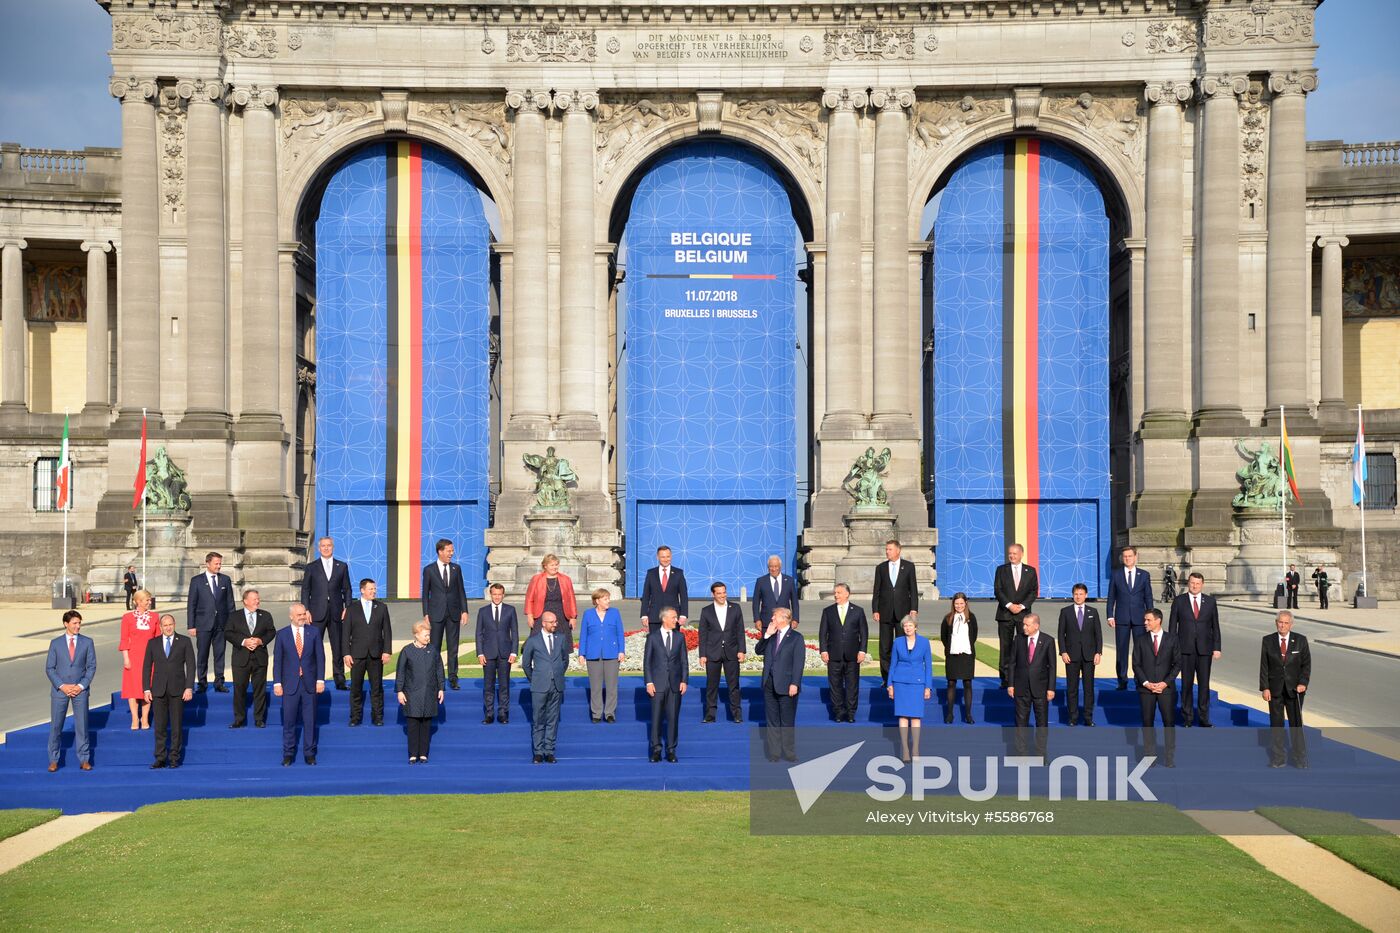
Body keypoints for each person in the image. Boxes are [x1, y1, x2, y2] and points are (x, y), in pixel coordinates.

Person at [1167, 572, 1221, 727]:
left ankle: (1204, 718)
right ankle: (1187, 718)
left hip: (1205, 650)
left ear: (1202, 584)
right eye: (1192, 583)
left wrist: (1217, 647)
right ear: (1188, 583)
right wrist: (1172, 649)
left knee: (1204, 685)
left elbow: (1215, 626)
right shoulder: (1179, 601)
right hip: (1185, 649)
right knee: (1186, 684)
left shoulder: (1210, 602)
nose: (1195, 586)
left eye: (1197, 583)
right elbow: (1172, 628)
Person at [273, 604, 325, 766]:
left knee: (310, 721)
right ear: (291, 616)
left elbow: (320, 658)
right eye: (299, 615)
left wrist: (320, 680)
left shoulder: (314, 632)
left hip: (309, 684)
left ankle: (309, 754)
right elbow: (278, 661)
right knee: (289, 721)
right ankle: (288, 754)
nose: (302, 617)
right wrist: (277, 683)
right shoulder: (282, 635)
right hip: (290, 685)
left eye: (303, 614)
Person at [142, 614, 195, 769]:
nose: (168, 627)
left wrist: (189, 687)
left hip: (178, 689)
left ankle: (174, 758)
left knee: (176, 726)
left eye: (170, 624)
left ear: (174, 624)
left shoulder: (184, 641)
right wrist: (146, 688)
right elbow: (146, 667)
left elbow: (191, 666)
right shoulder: (153, 643)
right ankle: (160, 758)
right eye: (165, 625)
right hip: (158, 690)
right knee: (160, 727)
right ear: (160, 627)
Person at [45, 610, 95, 772]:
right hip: (60, 691)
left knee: (82, 726)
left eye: (79, 623)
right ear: (66, 624)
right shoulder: (56, 643)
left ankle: (84, 759)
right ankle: (53, 759)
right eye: (74, 623)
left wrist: (81, 686)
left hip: (80, 690)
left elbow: (91, 667)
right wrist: (62, 686)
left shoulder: (87, 642)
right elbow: (50, 668)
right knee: (56, 726)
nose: (78, 626)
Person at [1260, 611, 1311, 768]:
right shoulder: (1268, 641)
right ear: (1276, 623)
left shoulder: (1300, 641)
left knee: (1296, 725)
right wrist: (1265, 688)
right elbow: (1264, 666)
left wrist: (1303, 683)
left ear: (1291, 624)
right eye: (1280, 622)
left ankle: (1299, 758)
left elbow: (1306, 665)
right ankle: (1278, 758)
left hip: (1294, 690)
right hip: (1274, 690)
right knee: (1277, 724)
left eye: (1286, 623)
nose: (1282, 625)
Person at [301, 536, 353, 690]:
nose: (326, 548)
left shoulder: (342, 566)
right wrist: (306, 610)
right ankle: (314, 678)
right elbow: (306, 590)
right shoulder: (311, 567)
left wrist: (347, 607)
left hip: (336, 612)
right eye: (323, 546)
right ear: (319, 548)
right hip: (316, 612)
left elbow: (347, 589)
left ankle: (339, 679)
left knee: (338, 647)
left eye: (328, 545)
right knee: (314, 646)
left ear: (333, 547)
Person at [756, 607, 805, 762]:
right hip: (769, 683)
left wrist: (795, 683)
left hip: (787, 684)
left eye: (774, 617)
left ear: (784, 618)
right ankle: (774, 753)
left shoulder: (796, 638)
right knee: (772, 721)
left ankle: (789, 752)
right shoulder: (771, 636)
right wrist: (767, 635)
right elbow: (758, 650)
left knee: (787, 721)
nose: (772, 619)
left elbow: (798, 663)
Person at [343, 578, 393, 727]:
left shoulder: (382, 607)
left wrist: (387, 651)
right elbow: (345, 633)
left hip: (376, 654)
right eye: (370, 589)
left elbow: (387, 631)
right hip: (357, 654)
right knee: (356, 688)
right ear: (362, 590)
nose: (374, 591)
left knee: (376, 688)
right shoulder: (352, 608)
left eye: (375, 589)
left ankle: (377, 717)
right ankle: (355, 717)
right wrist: (346, 653)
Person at [1132, 608, 1179, 766]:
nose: (1145, 623)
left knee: (1169, 723)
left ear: (1158, 621)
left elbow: (1177, 664)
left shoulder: (1172, 639)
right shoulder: (1140, 640)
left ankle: (1169, 757)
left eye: (1148, 620)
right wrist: (1147, 683)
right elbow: (1136, 664)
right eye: (1145, 620)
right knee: (1147, 722)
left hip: (1166, 689)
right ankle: (1149, 757)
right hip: (1146, 689)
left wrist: (1165, 683)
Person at [421, 538, 469, 690]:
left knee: (453, 647)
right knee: (434, 646)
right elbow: (425, 594)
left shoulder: (456, 568)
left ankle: (453, 678)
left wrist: (465, 610)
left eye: (452, 550)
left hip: (454, 613)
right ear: (440, 551)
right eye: (449, 550)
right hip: (436, 614)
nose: (451, 553)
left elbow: (461, 590)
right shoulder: (429, 570)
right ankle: (434, 677)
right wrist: (426, 613)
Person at [521, 611, 568, 764]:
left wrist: (557, 674)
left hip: (556, 685)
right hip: (539, 686)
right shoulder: (533, 641)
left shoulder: (561, 638)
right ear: (543, 623)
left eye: (556, 621)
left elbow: (564, 661)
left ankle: (549, 751)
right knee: (538, 720)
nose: (555, 624)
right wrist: (535, 678)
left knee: (553, 720)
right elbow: (526, 664)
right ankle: (538, 752)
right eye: (552, 622)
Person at [226, 588, 276, 729]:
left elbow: (271, 632)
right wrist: (244, 641)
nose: (257, 601)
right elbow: (228, 633)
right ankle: (239, 719)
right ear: (245, 601)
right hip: (241, 658)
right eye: (254, 599)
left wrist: (261, 641)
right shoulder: (234, 616)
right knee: (239, 689)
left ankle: (259, 719)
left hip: (259, 658)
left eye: (258, 599)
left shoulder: (265, 615)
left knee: (259, 689)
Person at [698, 581, 747, 723]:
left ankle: (736, 714)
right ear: (713, 594)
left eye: (724, 592)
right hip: (712, 653)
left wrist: (742, 650)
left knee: (734, 685)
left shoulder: (735, 608)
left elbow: (740, 631)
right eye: (719, 593)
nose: (722, 595)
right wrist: (702, 654)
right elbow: (702, 634)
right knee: (712, 686)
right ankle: (710, 715)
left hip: (732, 652)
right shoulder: (706, 611)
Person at [644, 608, 689, 762]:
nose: (676, 620)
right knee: (656, 718)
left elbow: (684, 661)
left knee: (673, 718)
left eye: (676, 617)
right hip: (657, 684)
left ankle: (671, 750)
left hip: (675, 684)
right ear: (664, 619)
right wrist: (649, 682)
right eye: (673, 617)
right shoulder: (652, 637)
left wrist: (684, 680)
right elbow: (647, 662)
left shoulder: (680, 637)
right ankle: (656, 750)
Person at [887, 615, 934, 763]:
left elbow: (929, 667)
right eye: (905, 626)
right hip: (900, 682)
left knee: (915, 717)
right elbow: (893, 664)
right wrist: (890, 685)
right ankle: (905, 749)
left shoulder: (925, 643)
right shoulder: (898, 642)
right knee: (902, 716)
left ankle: (915, 749)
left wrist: (928, 687)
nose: (907, 628)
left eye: (910, 625)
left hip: (917, 683)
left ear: (915, 627)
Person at [1008, 613, 1056, 757]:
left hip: (1040, 689)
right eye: (1024, 624)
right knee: (1021, 724)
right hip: (1021, 688)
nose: (1024, 627)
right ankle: (1021, 754)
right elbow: (1012, 663)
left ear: (1036, 625)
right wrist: (1010, 684)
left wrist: (1051, 688)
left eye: (1027, 625)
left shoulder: (1048, 641)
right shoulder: (1018, 639)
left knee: (1041, 724)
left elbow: (1052, 666)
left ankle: (1041, 755)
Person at [819, 583, 868, 723]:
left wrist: (862, 650)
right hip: (833, 655)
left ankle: (851, 712)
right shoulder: (828, 611)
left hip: (852, 655)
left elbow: (864, 633)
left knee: (852, 685)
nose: (836, 595)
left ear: (847, 594)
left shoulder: (858, 611)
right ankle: (839, 712)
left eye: (839, 592)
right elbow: (823, 633)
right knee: (835, 685)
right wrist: (823, 650)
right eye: (835, 592)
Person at [186, 551, 234, 693]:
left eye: (220, 563)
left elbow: (230, 603)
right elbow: (191, 605)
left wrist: (232, 624)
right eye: (216, 563)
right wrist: (191, 625)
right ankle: (202, 682)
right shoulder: (197, 581)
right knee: (202, 655)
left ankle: (219, 682)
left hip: (221, 624)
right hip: (203, 624)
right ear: (207, 563)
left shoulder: (225, 580)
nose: (219, 566)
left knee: (220, 654)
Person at [1106, 545, 1153, 690]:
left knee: (1141, 651)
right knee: (1121, 650)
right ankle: (1122, 680)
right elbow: (1111, 596)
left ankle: (1141, 680)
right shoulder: (1116, 574)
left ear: (1135, 557)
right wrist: (1110, 615)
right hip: (1122, 618)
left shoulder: (1144, 575)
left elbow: (1148, 597)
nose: (1127, 558)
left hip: (1140, 620)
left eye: (1130, 556)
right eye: (1125, 556)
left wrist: (1150, 617)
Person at [397, 620, 444, 763]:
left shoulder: (433, 650)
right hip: (412, 694)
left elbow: (439, 670)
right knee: (412, 725)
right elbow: (401, 672)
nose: (428, 638)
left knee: (426, 725)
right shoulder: (407, 650)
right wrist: (399, 690)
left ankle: (423, 754)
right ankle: (413, 754)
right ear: (416, 635)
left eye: (429, 635)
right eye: (425, 635)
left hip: (429, 693)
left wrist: (441, 688)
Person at [872, 539, 918, 687]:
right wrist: (875, 609)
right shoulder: (881, 568)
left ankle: (901, 676)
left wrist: (914, 609)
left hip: (902, 614)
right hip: (885, 613)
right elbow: (876, 591)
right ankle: (886, 679)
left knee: (902, 646)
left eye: (890, 549)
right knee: (884, 647)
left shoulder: (909, 567)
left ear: (898, 550)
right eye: (886, 549)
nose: (887, 552)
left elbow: (913, 590)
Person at [992, 542, 1038, 689]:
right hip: (1005, 614)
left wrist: (1022, 606)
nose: (1011, 556)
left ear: (1021, 554)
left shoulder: (1030, 571)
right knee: (1005, 647)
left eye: (1014, 553)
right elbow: (998, 590)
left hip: (1023, 616)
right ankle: (1005, 679)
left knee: (1024, 647)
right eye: (1010, 553)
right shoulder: (1001, 570)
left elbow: (1033, 591)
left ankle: (1022, 677)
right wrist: (1009, 605)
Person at [1057, 584, 1102, 726]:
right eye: (1076, 594)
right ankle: (1073, 717)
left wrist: (1098, 652)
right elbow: (1060, 634)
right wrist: (1063, 651)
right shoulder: (1065, 611)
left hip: (1089, 656)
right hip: (1071, 656)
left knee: (1089, 688)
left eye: (1081, 594)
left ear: (1086, 595)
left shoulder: (1093, 612)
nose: (1078, 596)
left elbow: (1098, 634)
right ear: (1072, 595)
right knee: (1072, 688)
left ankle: (1088, 717)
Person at [577, 588, 625, 723]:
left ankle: (610, 713)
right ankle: (596, 713)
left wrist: (621, 651)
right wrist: (582, 653)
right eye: (605, 599)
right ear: (597, 601)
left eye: (608, 598)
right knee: (595, 686)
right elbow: (583, 635)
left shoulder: (615, 613)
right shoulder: (588, 614)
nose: (608, 601)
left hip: (612, 654)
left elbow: (620, 633)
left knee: (611, 686)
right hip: (593, 654)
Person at [475, 583, 520, 724]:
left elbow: (515, 633)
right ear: (490, 594)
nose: (497, 597)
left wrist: (514, 652)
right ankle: (489, 714)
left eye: (499, 594)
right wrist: (480, 653)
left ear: (503, 595)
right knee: (488, 685)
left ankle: (503, 713)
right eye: (494, 594)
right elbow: (478, 634)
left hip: (505, 653)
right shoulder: (483, 611)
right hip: (488, 653)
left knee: (504, 685)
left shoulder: (510, 610)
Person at [118, 589, 159, 729]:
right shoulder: (127, 618)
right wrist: (126, 658)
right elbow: (124, 639)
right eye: (146, 600)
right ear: (138, 602)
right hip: (133, 657)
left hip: (150, 657)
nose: (149, 602)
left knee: (147, 688)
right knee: (133, 689)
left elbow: (158, 639)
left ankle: (145, 718)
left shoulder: (154, 617)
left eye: (149, 599)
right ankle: (135, 718)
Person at [525, 554, 578, 655]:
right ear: (545, 566)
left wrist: (573, 617)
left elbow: (571, 598)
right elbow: (529, 598)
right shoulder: (536, 579)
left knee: (562, 643)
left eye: (556, 565)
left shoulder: (566, 579)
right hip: (541, 613)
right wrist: (530, 616)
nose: (555, 567)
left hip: (561, 614)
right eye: (552, 565)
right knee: (538, 641)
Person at [940, 592, 979, 724]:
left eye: (961, 603)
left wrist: (964, 647)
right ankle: (950, 714)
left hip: (967, 655)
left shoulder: (971, 617)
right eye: (956, 603)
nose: (959, 606)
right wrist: (951, 649)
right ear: (953, 604)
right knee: (951, 683)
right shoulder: (948, 618)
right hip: (952, 656)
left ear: (966, 603)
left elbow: (974, 635)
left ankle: (968, 714)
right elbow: (944, 636)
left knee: (967, 683)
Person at [639, 545, 688, 633]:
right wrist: (644, 615)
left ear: (671, 556)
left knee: (672, 645)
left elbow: (684, 596)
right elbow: (646, 595)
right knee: (656, 644)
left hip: (673, 617)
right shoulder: (651, 573)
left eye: (668, 556)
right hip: (654, 617)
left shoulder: (678, 573)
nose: (666, 559)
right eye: (663, 557)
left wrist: (683, 615)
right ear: (658, 557)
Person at [753, 554, 799, 629]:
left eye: (776, 566)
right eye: (771, 566)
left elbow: (795, 602)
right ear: (768, 567)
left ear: (780, 567)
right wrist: (757, 619)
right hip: (766, 622)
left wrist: (795, 619)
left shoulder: (789, 581)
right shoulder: (761, 581)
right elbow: (755, 602)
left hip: (784, 621)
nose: (773, 569)